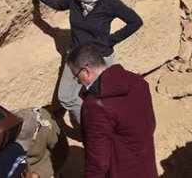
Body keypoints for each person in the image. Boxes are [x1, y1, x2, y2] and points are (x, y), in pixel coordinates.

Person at [25, 0, 143, 124]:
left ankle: (105, 127)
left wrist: (111, 40)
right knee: (66, 97)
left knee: (103, 99)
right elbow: (59, 4)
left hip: (99, 58)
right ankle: (92, 125)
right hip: (76, 55)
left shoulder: (110, 2)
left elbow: (135, 21)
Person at [67, 44, 157, 178]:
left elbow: (97, 162)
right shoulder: (137, 81)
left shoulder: (95, 105)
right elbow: (151, 123)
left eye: (76, 76)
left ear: (86, 71)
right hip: (147, 168)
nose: (78, 82)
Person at [14, 107, 68, 178]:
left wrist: (38, 174)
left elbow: (61, 152)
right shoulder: (3, 127)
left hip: (39, 166)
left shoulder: (47, 126)